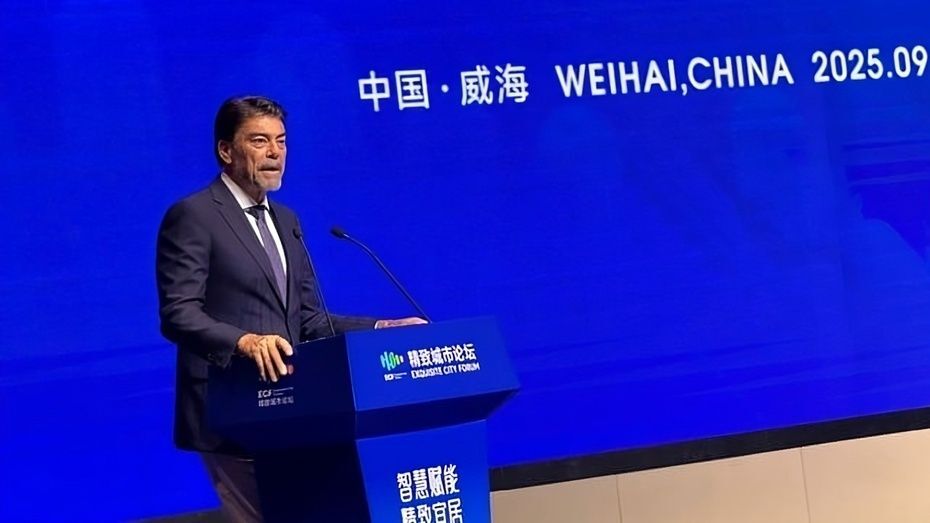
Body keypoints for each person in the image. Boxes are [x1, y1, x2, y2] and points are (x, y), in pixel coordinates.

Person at [156, 95, 425, 522]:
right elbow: (179, 314)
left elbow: (309, 320)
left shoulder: (286, 220)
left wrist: (381, 328)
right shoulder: (194, 216)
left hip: (292, 411)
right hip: (231, 410)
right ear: (225, 150)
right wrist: (245, 342)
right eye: (259, 140)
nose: (275, 152)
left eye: (280, 141)